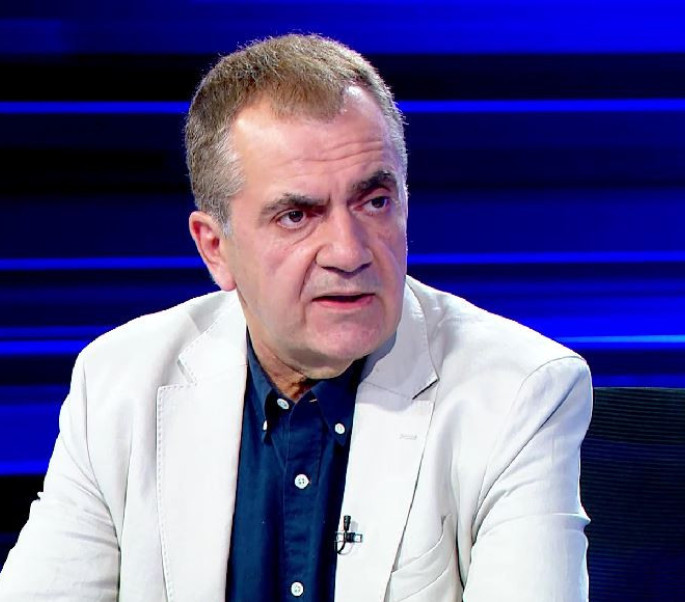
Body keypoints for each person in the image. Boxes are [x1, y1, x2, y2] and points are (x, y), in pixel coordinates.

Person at [0, 34, 592, 602]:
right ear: (215, 248)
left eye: (374, 201)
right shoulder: (119, 384)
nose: (349, 252)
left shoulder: (518, 393)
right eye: (297, 216)